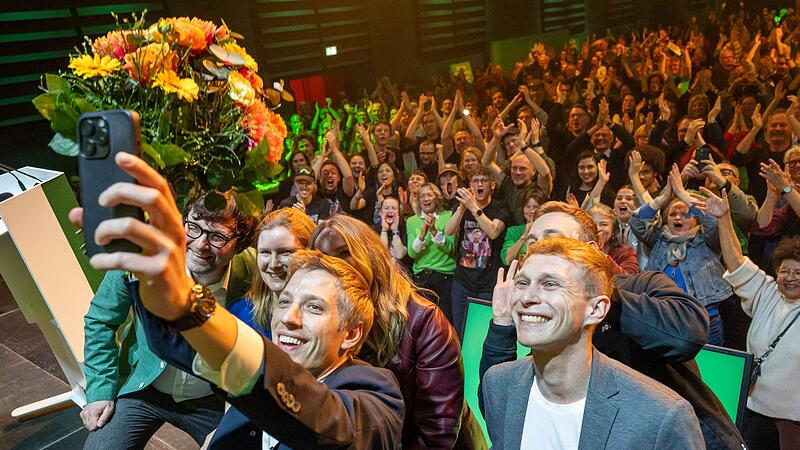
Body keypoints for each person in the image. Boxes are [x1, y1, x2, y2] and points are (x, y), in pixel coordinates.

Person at [72, 153, 404, 449]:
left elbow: (327, 420)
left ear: (351, 332)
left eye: (314, 306)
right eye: (284, 301)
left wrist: (191, 307)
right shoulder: (243, 403)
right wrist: (179, 302)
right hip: (146, 388)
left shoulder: (374, 394)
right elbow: (120, 325)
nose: (288, 318)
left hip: (207, 400)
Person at [480, 201, 747, 449]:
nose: (539, 250)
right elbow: (499, 406)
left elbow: (686, 336)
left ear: (592, 250)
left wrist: (600, 290)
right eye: (533, 242)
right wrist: (502, 323)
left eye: (553, 239)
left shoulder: (640, 286)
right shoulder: (547, 320)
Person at [80, 190, 258, 449]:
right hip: (145, 386)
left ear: (239, 244)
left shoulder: (255, 271)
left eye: (217, 236)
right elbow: (100, 319)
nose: (200, 245)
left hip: (213, 397)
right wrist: (99, 392)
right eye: (194, 228)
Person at [311, 215, 487, 449]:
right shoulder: (325, 318)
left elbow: (437, 432)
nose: (334, 265)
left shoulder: (423, 320)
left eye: (344, 252)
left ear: (369, 254)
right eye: (323, 257)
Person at [696, 188, 800, 450]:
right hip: (754, 410)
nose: (790, 277)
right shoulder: (766, 291)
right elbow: (736, 261)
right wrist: (723, 218)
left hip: (794, 420)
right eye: (785, 270)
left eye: (799, 272)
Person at [629, 165, 733, 345]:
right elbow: (636, 222)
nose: (678, 218)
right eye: (673, 214)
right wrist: (663, 198)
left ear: (695, 220)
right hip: (663, 319)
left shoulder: (706, 238)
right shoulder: (659, 237)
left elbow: (714, 223)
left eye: (685, 215)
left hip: (705, 319)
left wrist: (682, 193)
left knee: (707, 370)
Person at [445, 168, 509, 337]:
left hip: (487, 283)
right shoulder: (463, 208)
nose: (479, 184)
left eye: (484, 181)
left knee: (480, 331)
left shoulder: (500, 208)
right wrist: (460, 209)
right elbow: (448, 231)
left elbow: (493, 231)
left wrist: (473, 207)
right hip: (462, 281)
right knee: (458, 329)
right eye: (475, 181)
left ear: (493, 185)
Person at [406, 182, 457, 324]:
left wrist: (434, 230)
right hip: (422, 278)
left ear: (437, 197)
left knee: (445, 321)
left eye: (429, 195)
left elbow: (450, 248)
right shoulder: (412, 221)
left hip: (445, 277)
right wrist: (423, 234)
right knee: (422, 322)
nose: (426, 199)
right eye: (422, 196)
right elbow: (412, 253)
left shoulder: (449, 216)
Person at [589, 203, 639, 274]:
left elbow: (629, 280)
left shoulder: (625, 252)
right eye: (592, 224)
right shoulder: (579, 251)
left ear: (613, 229)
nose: (597, 228)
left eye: (603, 224)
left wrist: (601, 255)